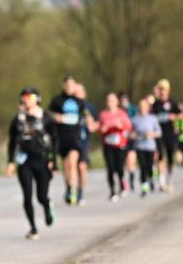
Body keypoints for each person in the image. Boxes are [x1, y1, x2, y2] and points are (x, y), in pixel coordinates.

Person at [5, 87, 56, 240]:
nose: (26, 99)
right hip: (24, 161)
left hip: (42, 160)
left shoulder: (46, 117)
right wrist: (10, 162)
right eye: (24, 97)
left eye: (30, 96)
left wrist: (53, 160)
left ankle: (47, 206)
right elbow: (12, 142)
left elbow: (55, 139)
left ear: (37, 99)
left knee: (41, 196)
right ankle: (33, 228)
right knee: (27, 196)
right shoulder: (18, 120)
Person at [48, 75, 94, 206]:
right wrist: (56, 117)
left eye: (71, 85)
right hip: (61, 137)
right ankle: (69, 187)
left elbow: (86, 116)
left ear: (75, 86)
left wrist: (89, 121)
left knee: (74, 163)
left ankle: (75, 190)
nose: (69, 87)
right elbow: (48, 115)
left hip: (75, 137)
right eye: (67, 85)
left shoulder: (79, 102)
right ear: (63, 86)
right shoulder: (57, 100)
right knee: (66, 165)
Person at [98, 92, 133, 202]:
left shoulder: (122, 113)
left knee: (119, 167)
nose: (110, 103)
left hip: (120, 144)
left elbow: (129, 126)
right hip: (108, 144)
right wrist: (101, 129)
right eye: (108, 100)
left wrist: (121, 126)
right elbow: (99, 128)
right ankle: (113, 191)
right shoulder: (103, 114)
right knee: (110, 168)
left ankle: (122, 183)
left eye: (112, 100)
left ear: (117, 102)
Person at [151, 79, 181, 192]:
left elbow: (182, 114)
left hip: (170, 133)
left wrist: (175, 117)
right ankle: (161, 181)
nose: (162, 91)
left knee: (170, 158)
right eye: (160, 89)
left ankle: (170, 178)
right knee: (159, 156)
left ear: (168, 90)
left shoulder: (173, 102)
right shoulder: (155, 104)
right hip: (159, 134)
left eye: (164, 89)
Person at [74, 83, 99, 206]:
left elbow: (97, 124)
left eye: (80, 91)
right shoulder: (70, 106)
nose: (77, 94)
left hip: (84, 141)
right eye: (75, 92)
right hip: (71, 141)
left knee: (82, 168)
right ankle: (71, 190)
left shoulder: (90, 107)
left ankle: (80, 192)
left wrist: (92, 126)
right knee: (72, 166)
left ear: (84, 93)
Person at [130, 99, 161, 197]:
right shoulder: (134, 119)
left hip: (150, 146)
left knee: (150, 166)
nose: (142, 108)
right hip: (139, 146)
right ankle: (144, 187)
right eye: (141, 106)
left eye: (144, 106)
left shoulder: (153, 118)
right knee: (142, 166)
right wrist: (133, 135)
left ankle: (151, 179)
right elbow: (129, 133)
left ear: (148, 107)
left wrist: (152, 134)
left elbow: (159, 133)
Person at [119, 92, 138, 191]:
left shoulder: (133, 109)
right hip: (120, 139)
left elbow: (137, 122)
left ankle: (131, 180)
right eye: (122, 100)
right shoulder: (117, 111)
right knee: (122, 162)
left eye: (125, 100)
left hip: (130, 139)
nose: (123, 102)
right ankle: (123, 182)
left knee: (131, 160)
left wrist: (134, 132)